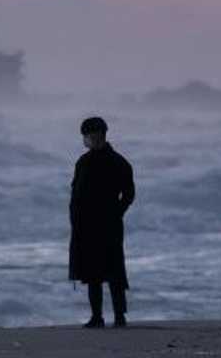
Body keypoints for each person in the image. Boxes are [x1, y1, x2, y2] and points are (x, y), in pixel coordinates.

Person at [69, 115, 135, 328]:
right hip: (86, 225)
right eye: (87, 136)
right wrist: (75, 220)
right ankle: (96, 316)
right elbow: (75, 194)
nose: (89, 139)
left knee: (115, 271)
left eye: (92, 135)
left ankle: (119, 316)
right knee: (91, 272)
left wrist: (117, 212)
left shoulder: (119, 162)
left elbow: (129, 193)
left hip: (110, 225)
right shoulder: (83, 162)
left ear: (102, 135)